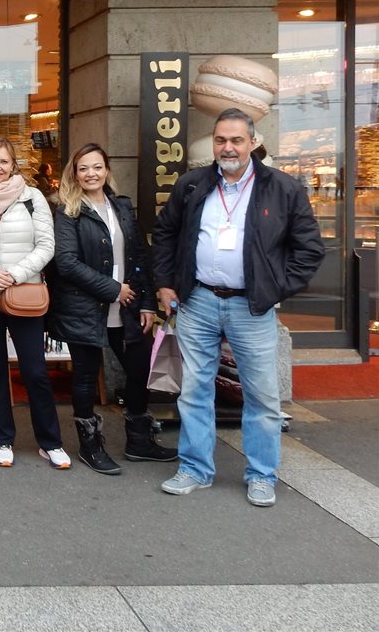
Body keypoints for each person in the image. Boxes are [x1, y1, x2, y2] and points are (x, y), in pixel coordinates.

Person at [152, 108, 325, 507]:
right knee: (194, 390)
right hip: (197, 301)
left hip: (252, 307)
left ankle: (262, 474)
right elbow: (165, 234)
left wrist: (274, 288)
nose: (227, 147)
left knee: (262, 396)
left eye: (235, 140)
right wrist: (164, 283)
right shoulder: (193, 185)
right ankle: (195, 468)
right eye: (220, 140)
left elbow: (309, 250)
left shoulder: (283, 189)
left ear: (252, 143)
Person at [49, 143, 176, 475]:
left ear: (107, 170)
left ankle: (139, 441)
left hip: (129, 306)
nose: (91, 174)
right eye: (83, 168)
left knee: (138, 370)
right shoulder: (67, 210)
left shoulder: (121, 206)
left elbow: (138, 256)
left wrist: (147, 302)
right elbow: (66, 263)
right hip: (85, 307)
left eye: (97, 167)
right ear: (74, 174)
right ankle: (90, 446)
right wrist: (112, 290)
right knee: (86, 378)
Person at [0, 137, 69, 469]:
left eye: (3, 161)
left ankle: (50, 441)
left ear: (13, 164)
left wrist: (16, 274)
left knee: (35, 370)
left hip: (25, 295)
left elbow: (47, 245)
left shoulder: (32, 199)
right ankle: (2, 438)